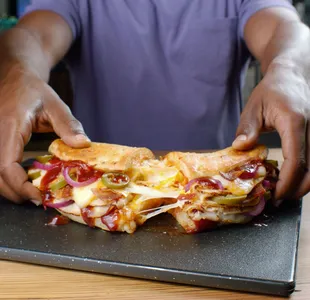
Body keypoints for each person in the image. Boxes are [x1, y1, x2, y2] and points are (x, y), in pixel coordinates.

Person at [0, 0, 309, 205]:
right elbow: (31, 36)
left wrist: (290, 71)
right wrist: (19, 74)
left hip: (215, 185)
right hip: (98, 188)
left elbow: (288, 30)